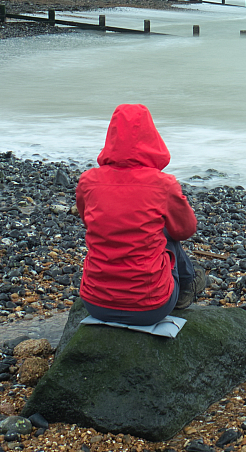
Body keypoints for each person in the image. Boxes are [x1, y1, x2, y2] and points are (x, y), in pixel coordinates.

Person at [75, 104, 202, 325]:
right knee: (167, 233)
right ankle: (186, 288)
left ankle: (186, 283)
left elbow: (88, 221)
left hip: (95, 304)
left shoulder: (89, 181)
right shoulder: (163, 184)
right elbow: (186, 230)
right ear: (151, 136)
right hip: (151, 307)